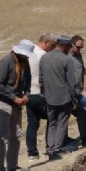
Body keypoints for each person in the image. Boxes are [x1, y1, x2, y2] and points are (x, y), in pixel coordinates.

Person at [0, 39, 34, 171]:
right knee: (3, 137)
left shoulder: (25, 63)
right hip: (4, 102)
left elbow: (28, 82)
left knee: (16, 136)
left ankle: (12, 166)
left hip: (17, 103)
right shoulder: (6, 61)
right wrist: (13, 97)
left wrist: (26, 95)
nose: (27, 57)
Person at [39, 35, 77, 160]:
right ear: (65, 46)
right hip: (64, 97)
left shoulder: (44, 58)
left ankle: (50, 148)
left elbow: (41, 80)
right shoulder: (67, 60)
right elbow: (71, 83)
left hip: (49, 97)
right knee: (61, 123)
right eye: (69, 47)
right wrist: (74, 99)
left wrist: (44, 94)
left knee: (52, 123)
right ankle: (57, 149)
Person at [26, 33, 57, 161]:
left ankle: (32, 152)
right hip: (39, 92)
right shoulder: (43, 56)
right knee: (53, 117)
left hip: (28, 93)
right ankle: (51, 148)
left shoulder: (29, 52)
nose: (53, 48)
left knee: (32, 123)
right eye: (52, 45)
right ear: (46, 42)